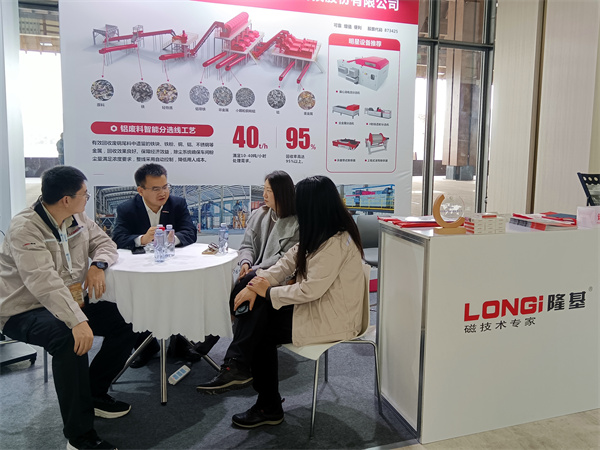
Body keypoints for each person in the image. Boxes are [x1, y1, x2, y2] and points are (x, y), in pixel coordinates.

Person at [196, 175, 367, 429]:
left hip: (333, 318)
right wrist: (257, 286)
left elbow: (310, 290)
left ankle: (257, 392)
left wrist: (265, 291)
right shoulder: (319, 231)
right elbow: (286, 262)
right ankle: (240, 371)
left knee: (261, 327)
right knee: (256, 306)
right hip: (316, 308)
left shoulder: (336, 241)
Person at [0, 166, 137, 450]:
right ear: (66, 199)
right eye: (84, 194)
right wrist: (77, 321)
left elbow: (105, 243)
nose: (87, 198)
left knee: (126, 321)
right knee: (69, 340)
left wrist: (98, 264)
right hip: (23, 308)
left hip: (69, 300)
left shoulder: (77, 216)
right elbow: (44, 283)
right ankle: (80, 436)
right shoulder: (25, 228)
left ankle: (94, 393)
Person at [111, 163, 202, 367]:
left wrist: (172, 239)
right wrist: (142, 239)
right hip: (141, 269)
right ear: (140, 190)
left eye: (165, 186)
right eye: (156, 189)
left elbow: (190, 232)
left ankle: (180, 344)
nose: (163, 193)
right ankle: (146, 347)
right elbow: (117, 238)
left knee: (183, 294)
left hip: (173, 266)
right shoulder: (127, 208)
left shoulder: (177, 204)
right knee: (136, 298)